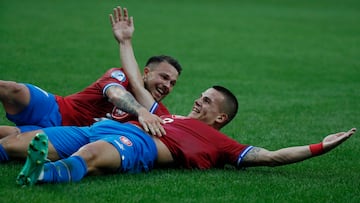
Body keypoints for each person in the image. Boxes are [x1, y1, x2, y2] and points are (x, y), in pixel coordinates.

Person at [14, 6, 356, 186]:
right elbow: (135, 82)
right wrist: (125, 42)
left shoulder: (220, 145)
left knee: (91, 155)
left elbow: (272, 157)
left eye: (207, 101)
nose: (198, 100)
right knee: (23, 141)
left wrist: (319, 147)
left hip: (137, 147)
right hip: (101, 129)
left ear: (220, 118)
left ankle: (43, 174)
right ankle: (31, 160)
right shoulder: (164, 113)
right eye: (201, 95)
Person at [0, 7, 182, 138]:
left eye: (172, 83)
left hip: (65, 136)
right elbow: (115, 94)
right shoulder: (121, 76)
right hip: (57, 109)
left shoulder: (157, 112)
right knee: (12, 90)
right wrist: (141, 112)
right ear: (146, 73)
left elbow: (179, 127)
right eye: (164, 77)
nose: (167, 85)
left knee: (11, 135)